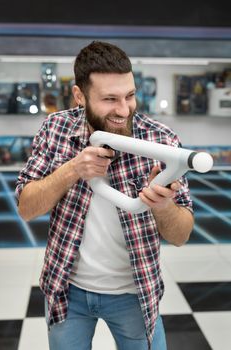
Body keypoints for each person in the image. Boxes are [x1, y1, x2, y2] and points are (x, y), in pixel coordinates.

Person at [15, 41, 194, 350]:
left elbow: (181, 235)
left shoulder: (161, 140)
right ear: (80, 96)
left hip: (135, 293)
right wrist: (72, 170)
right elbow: (26, 208)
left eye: (130, 96)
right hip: (66, 290)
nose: (123, 110)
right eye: (110, 99)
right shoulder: (55, 128)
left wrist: (163, 206)